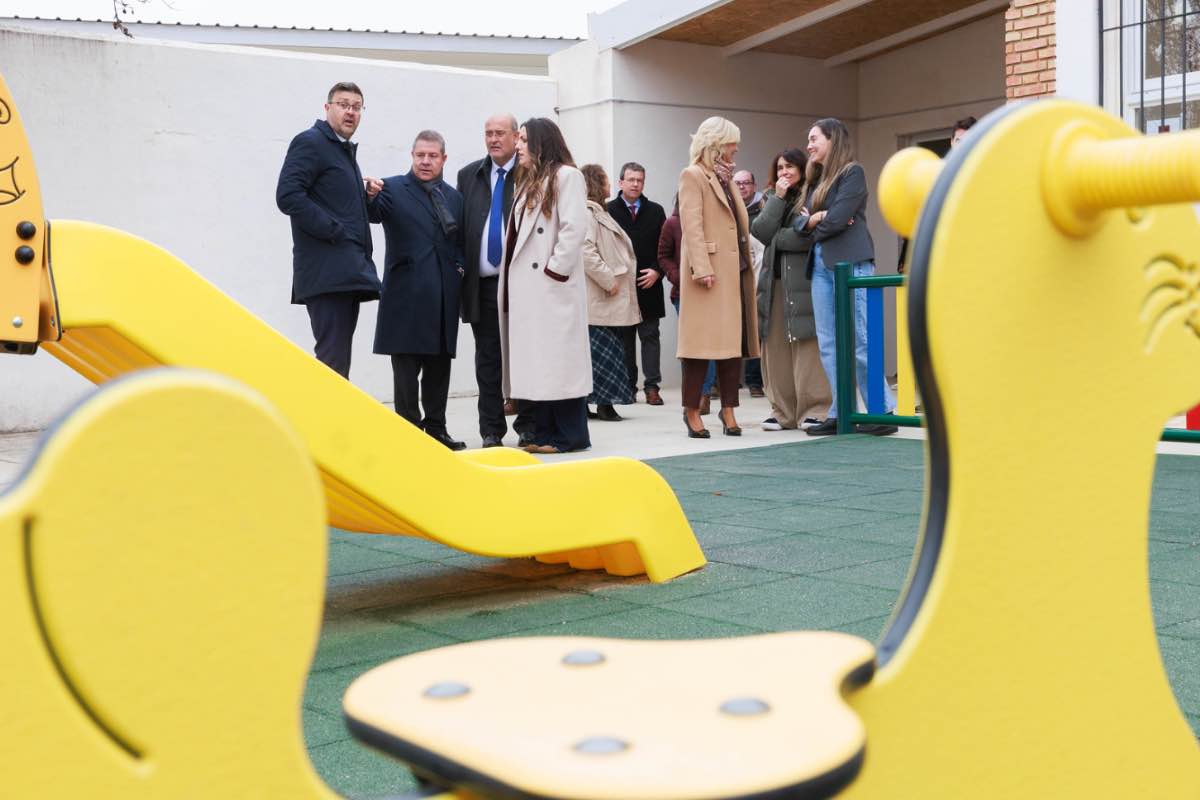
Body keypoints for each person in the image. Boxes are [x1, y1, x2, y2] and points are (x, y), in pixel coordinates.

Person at [276, 81, 383, 379]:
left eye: (356, 107)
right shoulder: (311, 142)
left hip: (347, 273)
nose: (350, 112)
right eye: (343, 104)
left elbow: (338, 204)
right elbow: (288, 195)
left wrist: (365, 197)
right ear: (327, 108)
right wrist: (334, 230)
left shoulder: (342, 151)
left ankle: (334, 424)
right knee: (332, 364)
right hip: (327, 272)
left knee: (337, 364)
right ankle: (323, 425)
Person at [369, 130, 467, 451]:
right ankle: (408, 434)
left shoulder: (454, 198)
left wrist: (460, 268)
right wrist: (369, 194)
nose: (425, 161)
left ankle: (437, 430)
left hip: (442, 298)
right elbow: (372, 211)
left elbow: (461, 244)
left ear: (444, 159)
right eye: (420, 155)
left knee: (439, 368)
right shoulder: (392, 188)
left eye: (432, 156)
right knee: (407, 373)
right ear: (411, 156)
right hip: (406, 297)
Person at [798, 118, 896, 436]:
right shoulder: (816, 178)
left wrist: (815, 222)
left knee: (860, 340)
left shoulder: (853, 172)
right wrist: (814, 220)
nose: (809, 145)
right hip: (821, 266)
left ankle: (882, 412)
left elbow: (839, 220)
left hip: (852, 263)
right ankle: (842, 412)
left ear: (832, 139)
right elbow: (797, 224)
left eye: (814, 139)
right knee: (829, 344)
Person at [500, 118, 592, 454]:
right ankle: (543, 433)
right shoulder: (529, 181)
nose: (518, 145)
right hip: (530, 291)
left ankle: (570, 436)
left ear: (541, 142)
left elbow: (573, 228)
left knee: (560, 365)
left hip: (551, 289)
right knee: (542, 366)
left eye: (524, 139)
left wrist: (555, 272)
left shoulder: (567, 176)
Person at [676, 116, 760, 438]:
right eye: (731, 143)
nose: (736, 149)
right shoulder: (693, 175)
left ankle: (728, 410)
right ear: (715, 143)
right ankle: (692, 411)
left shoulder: (725, 179)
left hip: (734, 272)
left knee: (731, 347)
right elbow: (691, 225)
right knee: (699, 347)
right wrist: (701, 268)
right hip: (708, 274)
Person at [456, 113, 536, 449]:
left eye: (500, 133)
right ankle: (491, 430)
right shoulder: (468, 175)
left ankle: (529, 427)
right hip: (484, 286)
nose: (493, 139)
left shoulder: (531, 173)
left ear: (516, 136)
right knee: (487, 359)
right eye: (487, 133)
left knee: (524, 358)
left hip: (522, 285)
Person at [751, 148, 830, 431]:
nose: (785, 172)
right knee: (775, 348)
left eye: (790, 167)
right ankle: (782, 412)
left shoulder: (815, 194)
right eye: (780, 167)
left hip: (805, 283)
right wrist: (781, 200)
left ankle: (815, 410)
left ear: (803, 168)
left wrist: (780, 236)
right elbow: (760, 231)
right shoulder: (772, 198)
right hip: (773, 285)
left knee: (808, 346)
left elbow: (806, 239)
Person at [581, 164, 640, 421]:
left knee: (607, 352)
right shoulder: (587, 213)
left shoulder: (599, 212)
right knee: (601, 355)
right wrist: (608, 279)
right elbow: (585, 251)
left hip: (606, 298)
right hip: (599, 296)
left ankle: (600, 404)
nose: (609, 184)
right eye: (605, 179)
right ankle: (602, 405)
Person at [607, 163, 667, 405]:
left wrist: (657, 271)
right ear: (620, 183)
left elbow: (666, 248)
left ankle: (652, 387)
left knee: (650, 336)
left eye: (639, 180)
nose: (635, 184)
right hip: (620, 286)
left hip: (649, 284)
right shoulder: (608, 210)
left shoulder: (655, 211)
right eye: (630, 180)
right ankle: (627, 387)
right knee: (624, 338)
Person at [733, 169, 765, 397]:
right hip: (731, 281)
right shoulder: (728, 209)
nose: (742, 187)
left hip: (757, 280)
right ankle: (729, 380)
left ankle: (755, 381)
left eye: (746, 183)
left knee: (756, 331)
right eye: (738, 183)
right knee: (731, 331)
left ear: (754, 186)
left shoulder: (763, 211)